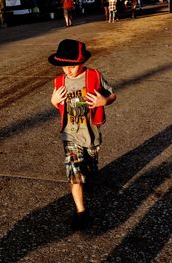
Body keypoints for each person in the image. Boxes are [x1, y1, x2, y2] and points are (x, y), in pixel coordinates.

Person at [48, 39, 117, 230]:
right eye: (64, 66)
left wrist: (104, 101)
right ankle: (81, 211)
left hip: (91, 133)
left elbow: (112, 95)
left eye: (72, 65)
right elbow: (58, 104)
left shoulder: (94, 76)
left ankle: (91, 173)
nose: (68, 70)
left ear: (82, 61)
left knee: (91, 165)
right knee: (74, 173)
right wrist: (53, 101)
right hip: (70, 135)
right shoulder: (59, 82)